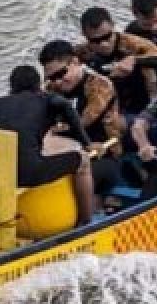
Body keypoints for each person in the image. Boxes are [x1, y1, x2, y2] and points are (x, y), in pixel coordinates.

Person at [0, 65, 96, 226]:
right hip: (31, 174)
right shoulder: (46, 99)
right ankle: (85, 221)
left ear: (12, 87)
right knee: (83, 161)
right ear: (38, 86)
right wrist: (86, 143)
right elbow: (66, 106)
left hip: (0, 177)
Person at [39, 39, 128, 212]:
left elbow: (81, 123)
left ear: (75, 62)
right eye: (51, 77)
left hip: (104, 155)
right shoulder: (50, 89)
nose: (57, 82)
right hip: (68, 155)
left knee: (66, 183)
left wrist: (50, 131)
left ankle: (85, 219)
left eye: (60, 74)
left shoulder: (101, 85)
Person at [75, 7, 157, 115]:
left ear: (113, 25)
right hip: (107, 103)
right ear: (85, 35)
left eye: (107, 37)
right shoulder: (81, 52)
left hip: (142, 99)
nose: (104, 44)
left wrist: (135, 60)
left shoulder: (133, 43)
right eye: (95, 40)